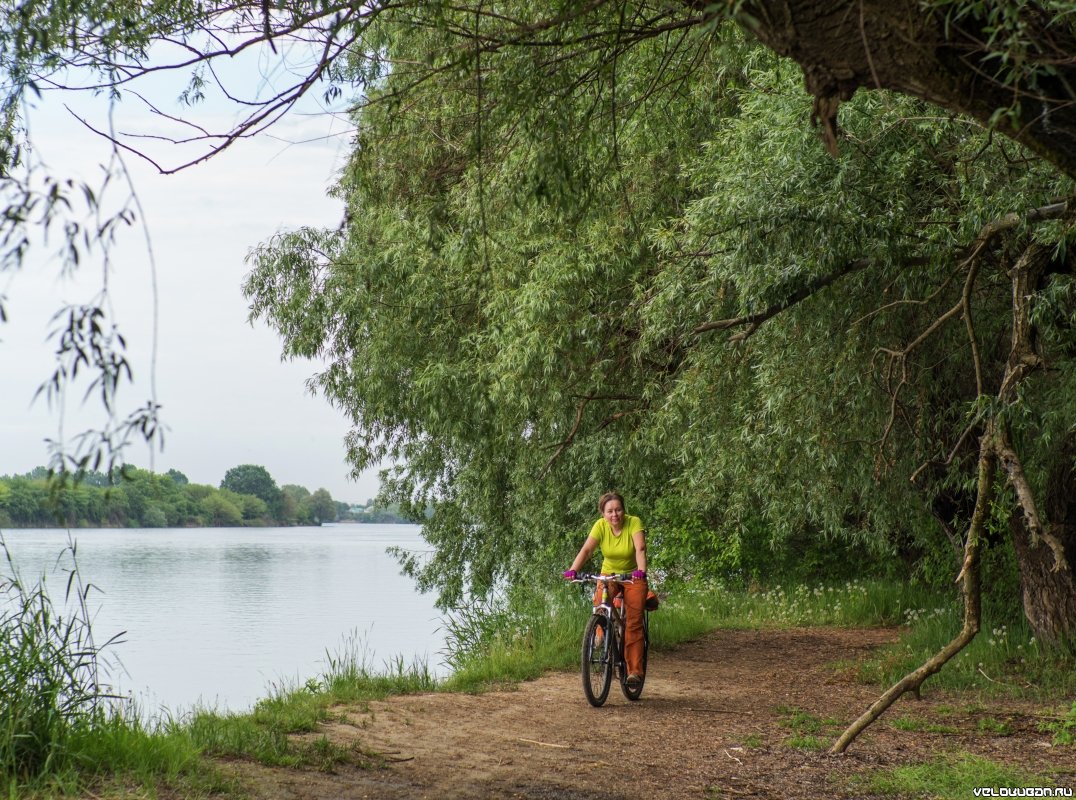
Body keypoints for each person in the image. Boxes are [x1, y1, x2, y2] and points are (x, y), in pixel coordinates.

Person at [563, 491, 648, 689]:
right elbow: (587, 550)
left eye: (618, 510)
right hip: (609, 574)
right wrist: (574, 570)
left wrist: (641, 571)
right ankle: (600, 632)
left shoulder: (634, 523)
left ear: (624, 510)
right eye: (610, 511)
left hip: (632, 576)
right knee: (600, 605)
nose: (614, 514)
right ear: (603, 514)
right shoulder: (600, 526)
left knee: (633, 623)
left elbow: (640, 549)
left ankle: (634, 672)